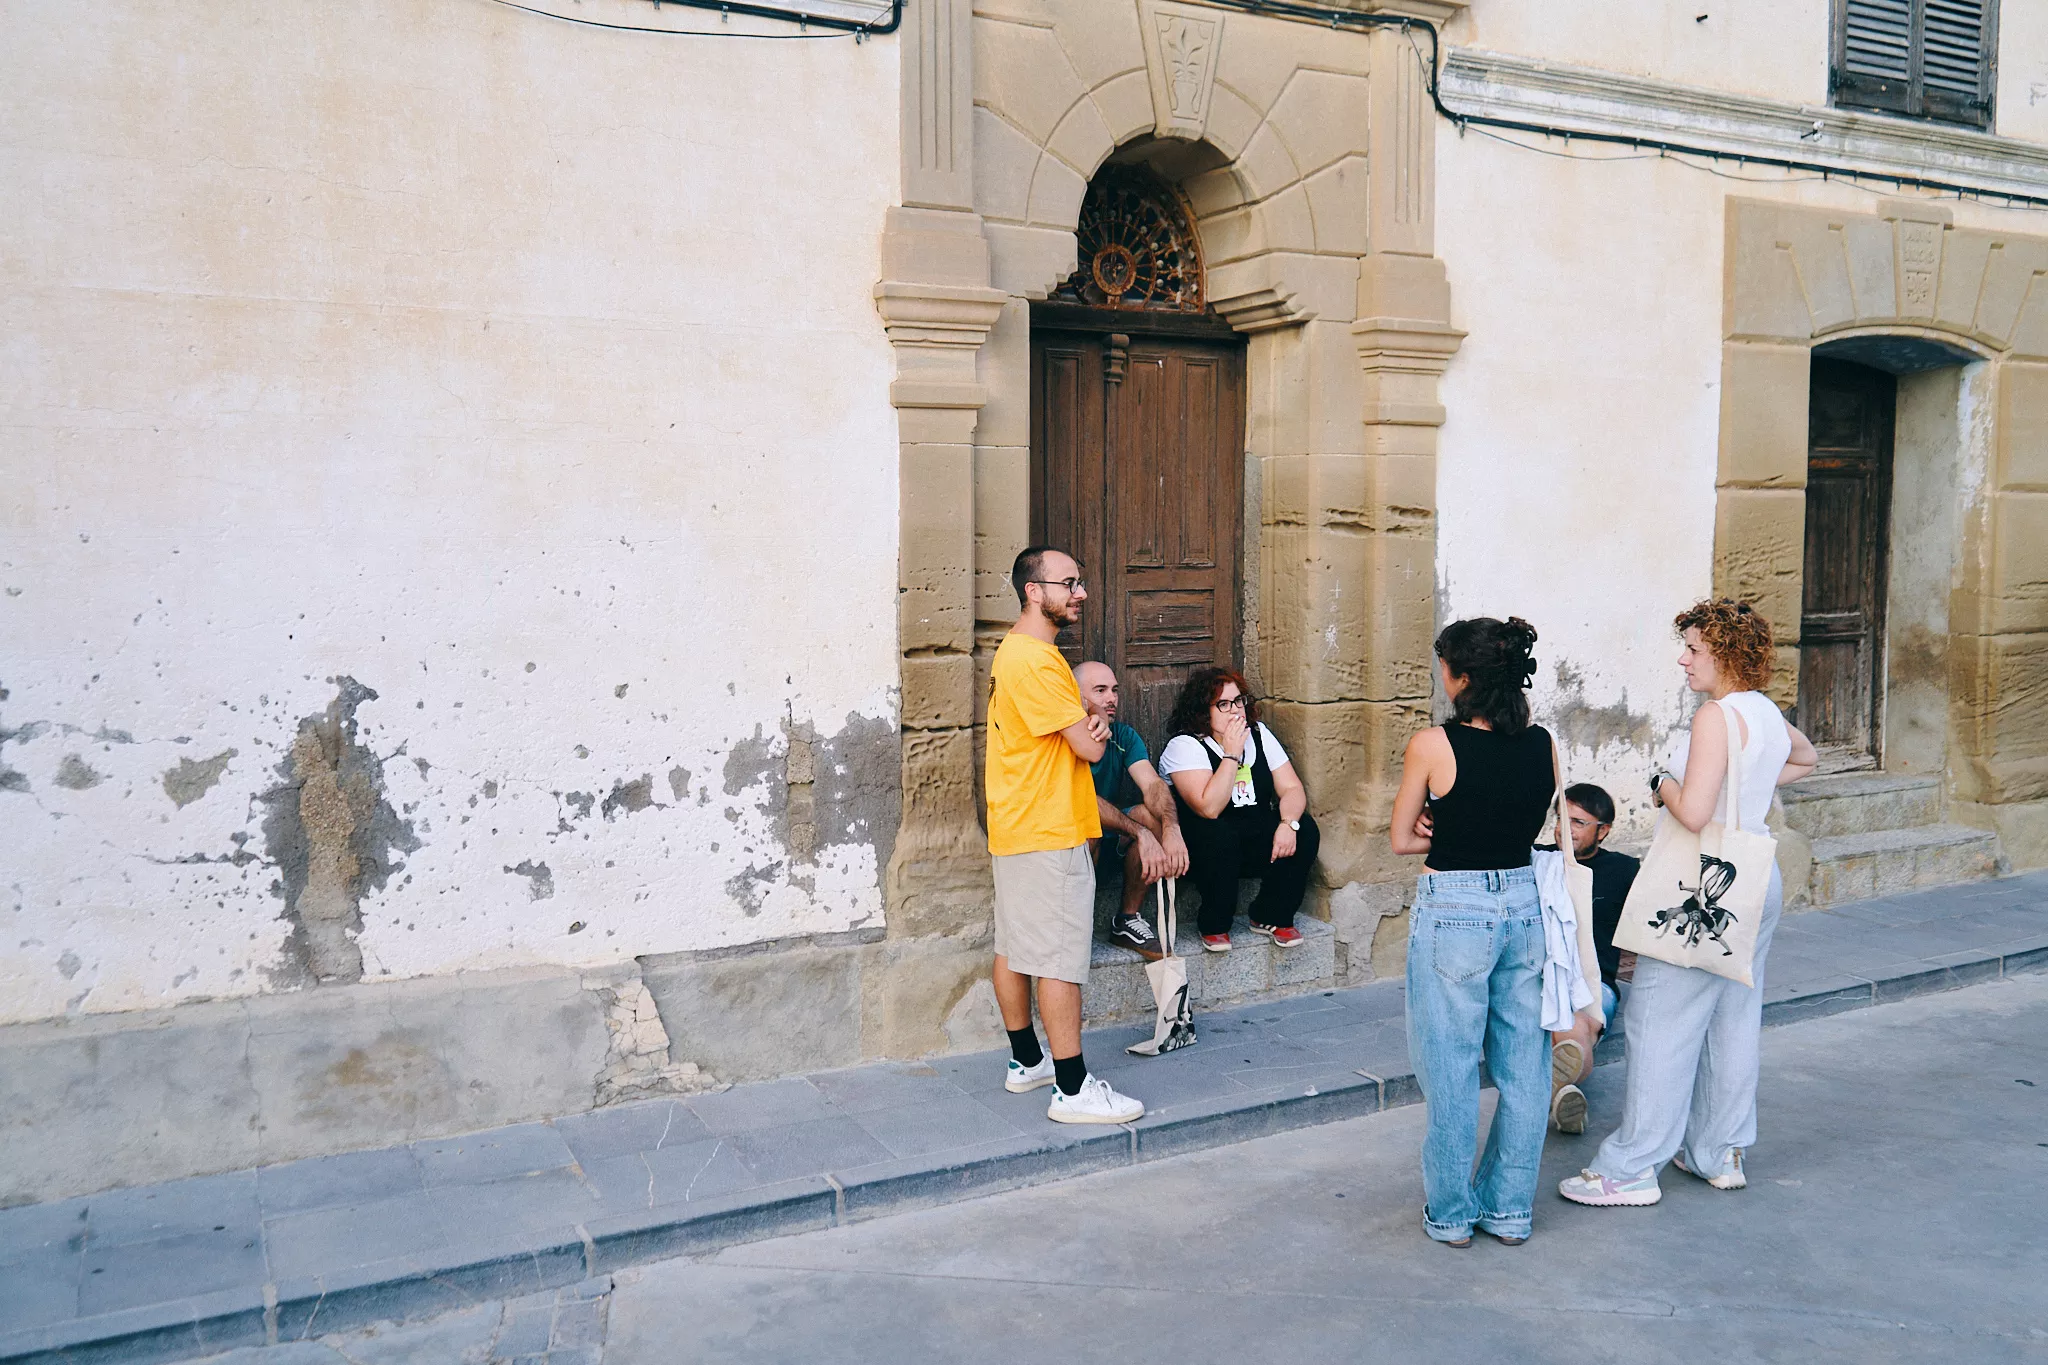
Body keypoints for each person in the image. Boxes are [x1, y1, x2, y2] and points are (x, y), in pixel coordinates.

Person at [1560, 600, 1817, 1206]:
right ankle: (1718, 1152)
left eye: (1694, 648)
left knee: (1659, 1020)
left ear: (1723, 654)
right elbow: (1805, 759)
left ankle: (1630, 1168)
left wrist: (1662, 784)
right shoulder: (1763, 712)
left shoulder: (1716, 716)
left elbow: (1694, 813)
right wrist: (1737, 785)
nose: (1684, 658)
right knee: (1733, 1016)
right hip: (1755, 877)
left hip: (1701, 888)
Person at [1389, 616, 1556, 1248]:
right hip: (1523, 903)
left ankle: (1453, 1214)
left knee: (1452, 1065)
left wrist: (1443, 825)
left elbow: (1403, 838)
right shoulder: (1544, 743)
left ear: (1461, 677)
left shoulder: (1434, 745)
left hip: (1456, 906)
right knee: (1525, 1066)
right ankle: (1509, 1210)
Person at [984, 546, 1144, 1125]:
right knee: (1057, 961)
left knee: (1016, 946)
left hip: (1019, 822)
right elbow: (1088, 746)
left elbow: (1071, 734)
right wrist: (1094, 726)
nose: (1080, 592)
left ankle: (1028, 1061)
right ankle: (1073, 1091)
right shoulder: (1040, 661)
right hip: (1047, 829)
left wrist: (1086, 723)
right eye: (1068, 583)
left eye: (1079, 581)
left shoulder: (1014, 653)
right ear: (1034, 590)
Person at [1158, 668, 1320, 952]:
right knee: (1219, 832)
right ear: (1202, 711)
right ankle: (1214, 923)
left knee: (1305, 828)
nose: (1235, 710)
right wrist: (1231, 753)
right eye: (1223, 704)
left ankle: (1271, 914)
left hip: (1253, 840)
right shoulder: (1184, 746)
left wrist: (1288, 824)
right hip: (1204, 849)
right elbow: (1209, 807)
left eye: (1238, 701)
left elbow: (1292, 789)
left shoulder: (1259, 734)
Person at [1074, 661, 1189, 960]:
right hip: (1071, 848)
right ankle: (1075, 924)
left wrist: (1170, 828)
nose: (1111, 698)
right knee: (1089, 829)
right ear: (1075, 696)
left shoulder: (1123, 735)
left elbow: (1152, 785)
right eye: (1100, 690)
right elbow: (1081, 800)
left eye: (1114, 690)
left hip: (1109, 840)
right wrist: (1138, 832)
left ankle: (1127, 919)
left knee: (1151, 816)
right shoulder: (1065, 739)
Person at [1544, 783, 1639, 1136]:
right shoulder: (1535, 859)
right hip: (1538, 978)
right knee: (1563, 1023)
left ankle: (1556, 1090)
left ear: (1604, 830)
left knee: (1571, 1024)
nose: (1563, 830)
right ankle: (1563, 1092)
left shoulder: (1624, 870)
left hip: (1592, 981)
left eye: (1577, 822)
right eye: (1559, 819)